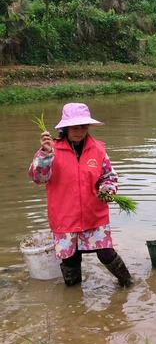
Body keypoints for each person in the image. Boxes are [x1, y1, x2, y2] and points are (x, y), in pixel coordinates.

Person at [28, 102, 132, 287]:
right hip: (65, 217)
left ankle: (128, 284)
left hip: (94, 215)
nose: (79, 130)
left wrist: (107, 189)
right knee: (70, 259)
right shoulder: (51, 150)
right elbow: (39, 178)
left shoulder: (98, 150)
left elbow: (109, 176)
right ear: (66, 128)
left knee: (106, 253)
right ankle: (74, 298)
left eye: (83, 126)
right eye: (74, 127)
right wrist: (45, 155)